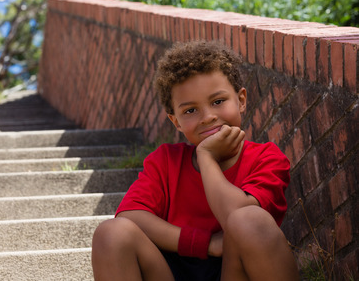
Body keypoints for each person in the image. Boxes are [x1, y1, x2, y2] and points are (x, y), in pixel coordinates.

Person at [92, 40, 299, 281]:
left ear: (241, 100)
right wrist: (206, 244)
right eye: (190, 110)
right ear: (176, 121)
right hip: (169, 272)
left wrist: (207, 157)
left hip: (236, 271)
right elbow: (130, 214)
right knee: (111, 233)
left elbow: (239, 218)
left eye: (218, 101)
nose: (208, 117)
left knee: (249, 218)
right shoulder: (165, 161)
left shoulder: (267, 158)